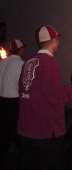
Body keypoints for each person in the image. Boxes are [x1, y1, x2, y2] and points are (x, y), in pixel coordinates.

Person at [17, 25, 72, 170]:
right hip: (45, 132)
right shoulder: (50, 63)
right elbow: (58, 97)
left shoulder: (28, 62)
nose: (58, 42)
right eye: (57, 39)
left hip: (25, 130)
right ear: (54, 41)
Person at [0, 39, 25, 167]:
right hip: (13, 101)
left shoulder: (2, 62)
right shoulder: (20, 63)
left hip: (2, 100)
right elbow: (22, 85)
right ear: (20, 50)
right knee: (15, 129)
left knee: (4, 129)